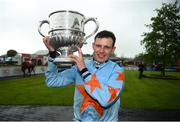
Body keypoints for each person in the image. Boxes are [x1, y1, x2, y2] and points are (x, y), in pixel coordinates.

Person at [43, 30, 125, 121]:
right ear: (93, 46)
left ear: (113, 49)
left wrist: (83, 70)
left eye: (107, 47)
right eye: (98, 46)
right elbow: (51, 81)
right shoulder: (80, 65)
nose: (101, 51)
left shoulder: (117, 71)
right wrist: (52, 54)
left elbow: (106, 100)